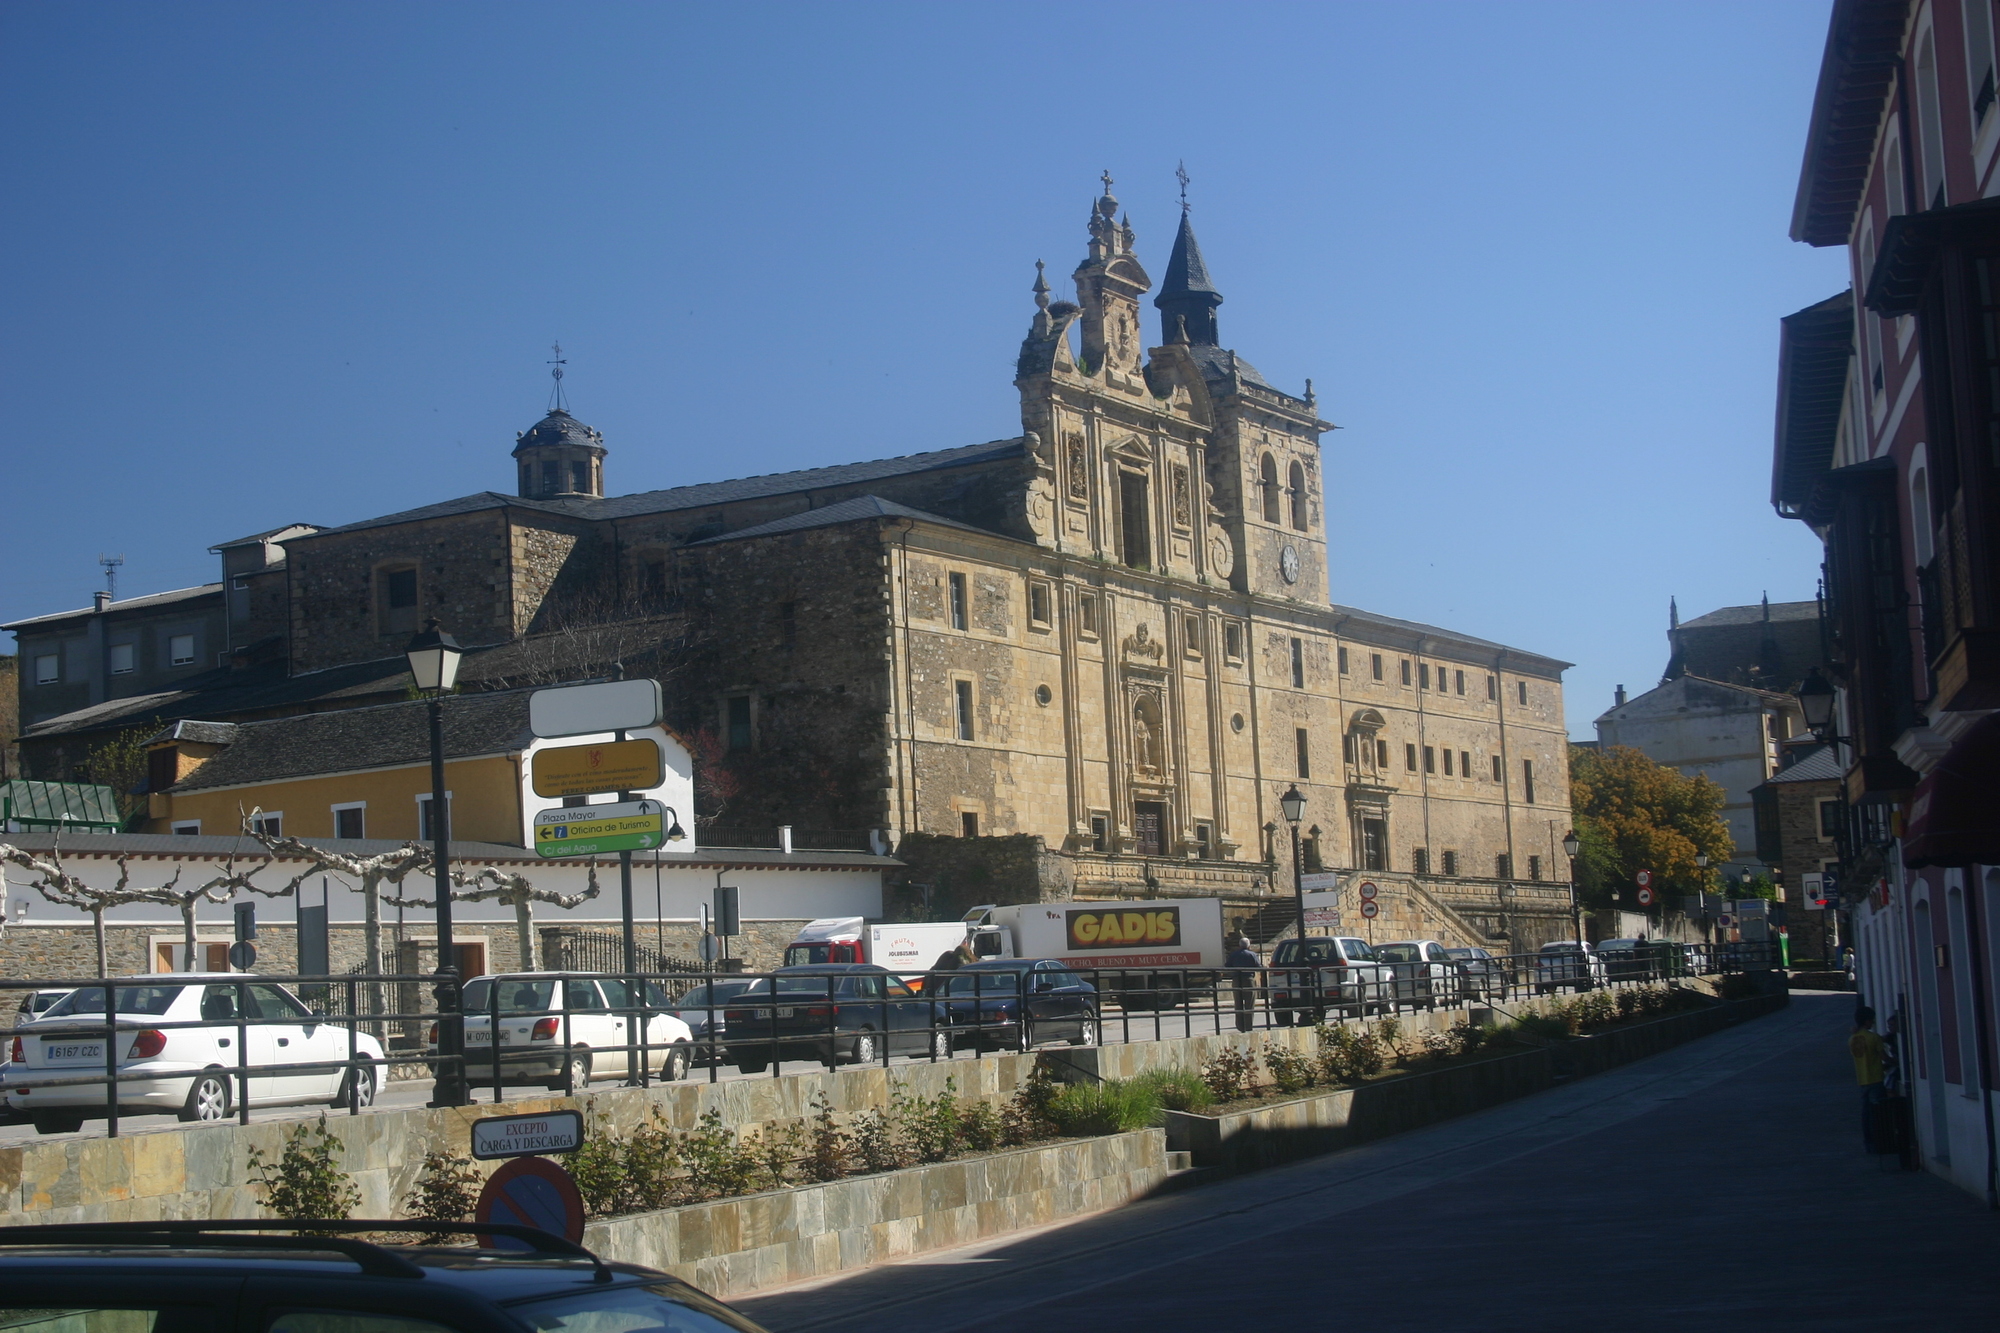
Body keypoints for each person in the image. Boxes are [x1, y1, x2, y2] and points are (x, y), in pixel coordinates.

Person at [1851, 1005, 1887, 1153]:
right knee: (1877, 1114)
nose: (1873, 1022)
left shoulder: (1852, 1039)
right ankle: (1880, 1143)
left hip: (1862, 1079)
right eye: (1871, 1020)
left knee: (1866, 1115)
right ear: (1867, 1021)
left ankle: (1869, 1144)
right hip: (1876, 1078)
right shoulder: (1874, 1038)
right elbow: (1883, 1057)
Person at [1225, 932, 1261, 1032]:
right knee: (1249, 1003)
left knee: (1238, 1003)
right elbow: (1258, 966)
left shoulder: (1234, 954)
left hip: (1236, 979)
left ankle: (1240, 1025)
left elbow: (1227, 966)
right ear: (1248, 945)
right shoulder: (1252, 954)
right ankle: (1248, 1025)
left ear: (1239, 945)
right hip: (1248, 979)